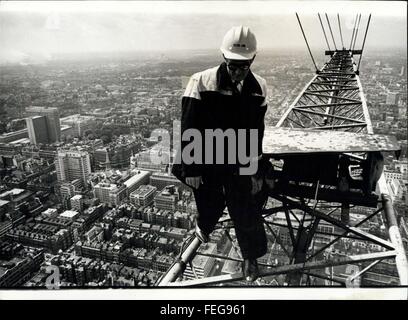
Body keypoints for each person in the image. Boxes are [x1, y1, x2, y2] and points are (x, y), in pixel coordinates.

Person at [172, 26, 269, 282]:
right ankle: (204, 223)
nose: (236, 72)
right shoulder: (201, 81)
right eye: (232, 65)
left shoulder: (259, 87)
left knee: (247, 204)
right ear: (224, 59)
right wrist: (191, 168)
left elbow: (256, 132)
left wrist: (255, 169)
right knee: (209, 198)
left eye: (243, 66)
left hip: (237, 155)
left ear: (252, 61)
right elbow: (189, 125)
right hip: (207, 154)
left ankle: (251, 257)